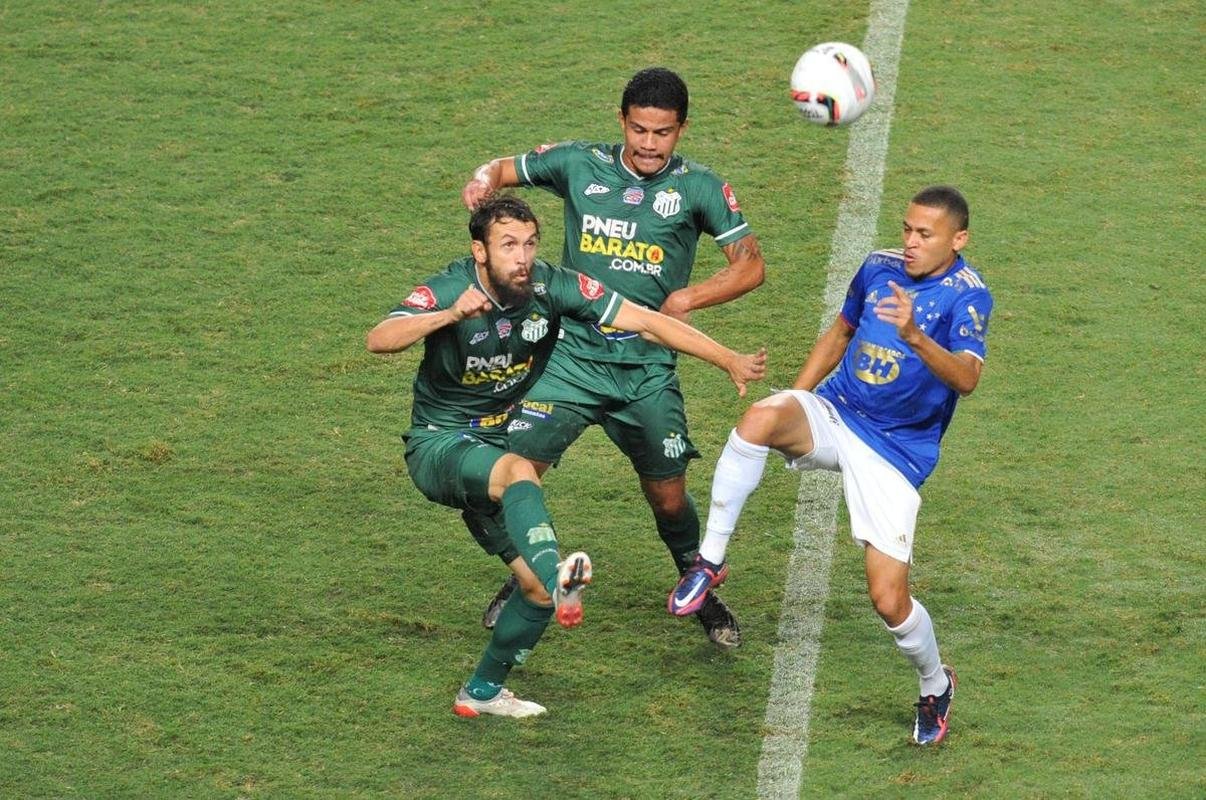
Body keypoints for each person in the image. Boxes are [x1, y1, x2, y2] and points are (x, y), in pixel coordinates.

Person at [367, 196, 765, 718]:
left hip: (488, 449)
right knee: (517, 471)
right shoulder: (449, 288)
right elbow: (380, 338)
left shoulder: (553, 286)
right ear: (480, 252)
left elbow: (646, 320)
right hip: (440, 444)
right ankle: (560, 572)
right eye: (508, 245)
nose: (522, 256)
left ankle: (481, 692)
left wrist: (726, 357)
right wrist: (448, 314)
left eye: (530, 243)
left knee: (531, 592)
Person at [669, 186, 992, 745]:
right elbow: (840, 333)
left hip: (897, 450)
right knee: (761, 418)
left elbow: (966, 379)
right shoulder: (877, 267)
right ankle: (710, 561)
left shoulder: (969, 296)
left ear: (957, 239)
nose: (910, 242)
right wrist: (793, 400)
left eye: (925, 234)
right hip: (841, 411)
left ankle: (936, 685)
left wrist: (914, 334)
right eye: (907, 229)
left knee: (888, 600)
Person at [462, 67, 765, 648]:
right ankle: (528, 576)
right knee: (510, 478)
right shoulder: (578, 164)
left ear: (683, 129)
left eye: (665, 133)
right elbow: (501, 169)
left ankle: (694, 580)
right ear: (622, 121)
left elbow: (750, 265)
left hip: (646, 369)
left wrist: (689, 296)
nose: (650, 144)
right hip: (567, 359)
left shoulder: (701, 188)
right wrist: (481, 182)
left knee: (669, 497)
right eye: (640, 130)